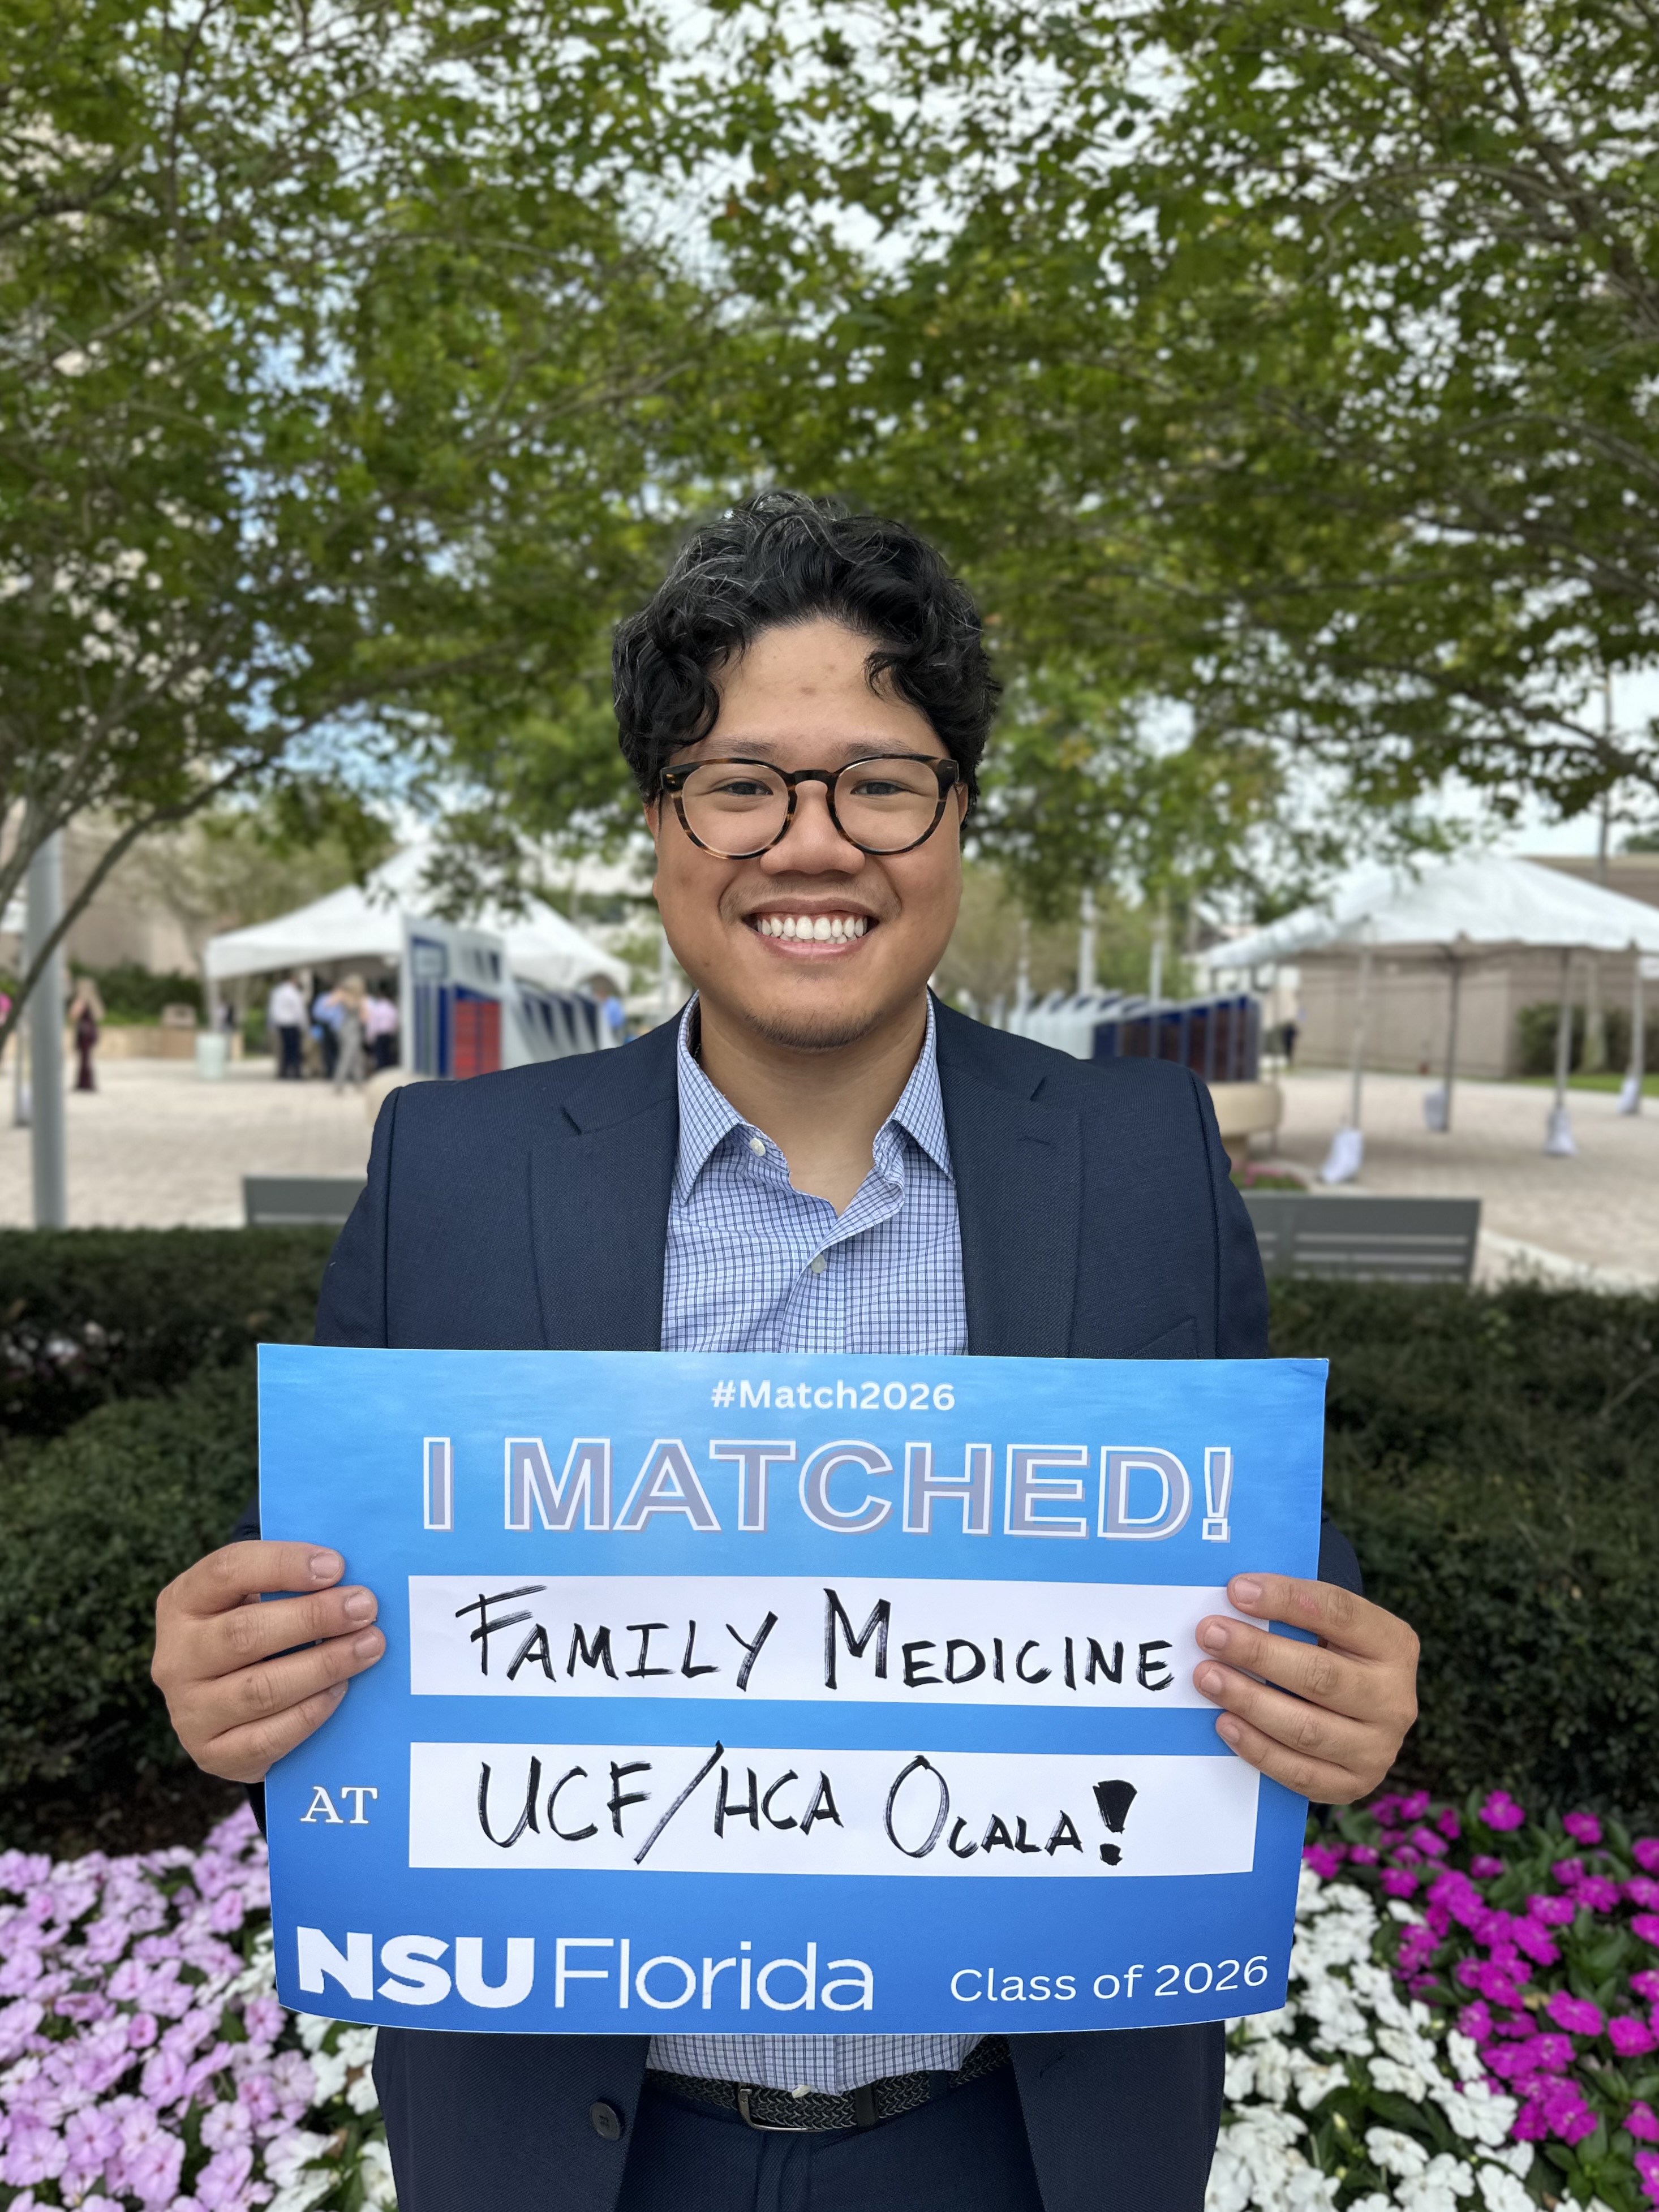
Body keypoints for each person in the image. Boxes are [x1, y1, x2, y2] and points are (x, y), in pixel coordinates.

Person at [152, 493, 1419, 2212]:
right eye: (741, 781)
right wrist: (241, 1674)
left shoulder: (1141, 1155)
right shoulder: (455, 1163)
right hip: (577, 2144)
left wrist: (1335, 1676)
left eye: (878, 782)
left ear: (956, 818)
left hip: (1017, 2136)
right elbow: (337, 1607)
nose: (810, 843)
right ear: (658, 823)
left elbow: (1247, 1554)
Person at [326, 975, 368, 1091]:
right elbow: (365, 1018)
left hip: (344, 1027)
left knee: (356, 1057)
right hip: (353, 1029)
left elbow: (328, 1004)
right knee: (348, 1057)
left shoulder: (344, 996)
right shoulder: (359, 999)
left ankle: (359, 1083)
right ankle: (339, 1084)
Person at [268, 975, 307, 1079]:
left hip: (281, 1023)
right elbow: (299, 1011)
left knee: (285, 1049)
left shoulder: (277, 992)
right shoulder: (294, 993)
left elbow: (272, 1009)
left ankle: (284, 1072)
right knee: (294, 1049)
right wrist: (304, 1025)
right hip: (292, 1023)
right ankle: (296, 1072)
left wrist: (272, 1025)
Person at [67, 976, 102, 1092]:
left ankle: (84, 1084)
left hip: (84, 1033)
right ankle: (87, 1083)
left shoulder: (81, 1001)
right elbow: (100, 1016)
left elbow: (73, 1016)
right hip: (91, 1032)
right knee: (87, 1059)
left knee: (84, 1060)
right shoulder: (92, 1000)